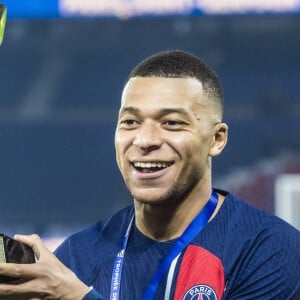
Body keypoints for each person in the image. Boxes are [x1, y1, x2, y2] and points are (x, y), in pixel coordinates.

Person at [0, 50, 299, 300]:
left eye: (171, 123)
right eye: (130, 122)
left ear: (216, 139)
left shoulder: (269, 249)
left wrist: (79, 297)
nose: (144, 140)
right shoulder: (78, 256)